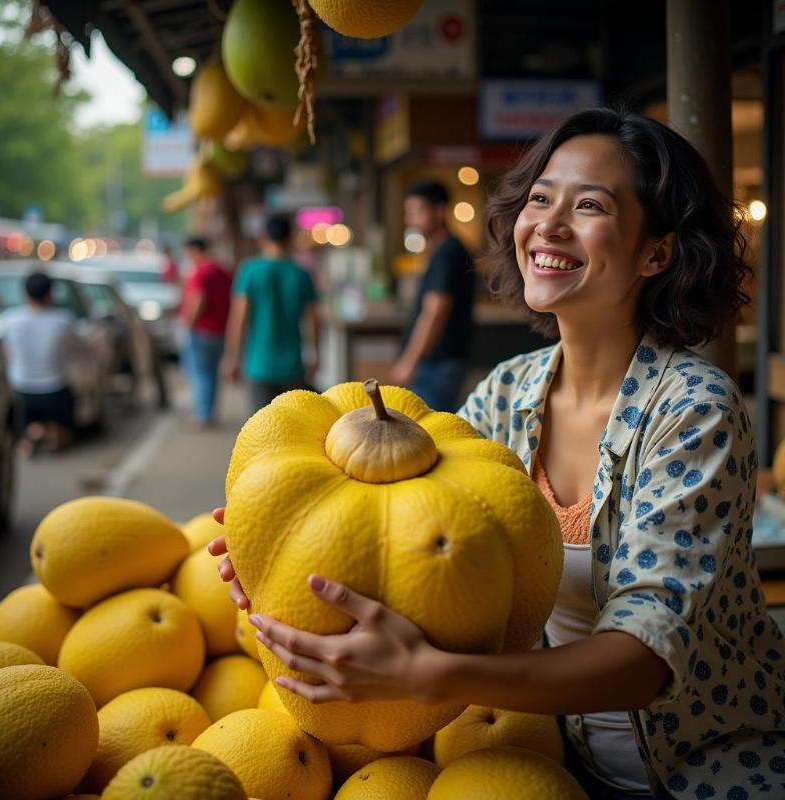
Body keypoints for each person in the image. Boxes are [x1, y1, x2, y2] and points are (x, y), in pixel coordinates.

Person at [209, 108, 785, 799]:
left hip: (709, 767)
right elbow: (402, 544)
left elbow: (645, 658)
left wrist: (434, 675)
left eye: (591, 205)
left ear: (655, 253)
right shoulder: (507, 392)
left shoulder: (694, 408)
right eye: (541, 198)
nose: (549, 223)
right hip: (542, 755)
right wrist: (279, 567)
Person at [221, 215, 320, 414]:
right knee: (295, 427)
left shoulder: (249, 271)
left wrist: (232, 358)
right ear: (290, 238)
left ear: (263, 238)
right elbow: (313, 321)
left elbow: (238, 320)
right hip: (293, 364)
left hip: (259, 363)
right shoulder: (301, 274)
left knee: (262, 429)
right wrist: (316, 355)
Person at [390, 181, 475, 411]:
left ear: (440, 211)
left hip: (438, 364)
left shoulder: (448, 252)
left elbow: (435, 310)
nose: (411, 220)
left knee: (430, 435)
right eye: (408, 213)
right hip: (437, 363)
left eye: (417, 212)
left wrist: (409, 362)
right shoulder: (442, 250)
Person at [1, 271, 80, 454]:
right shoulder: (64, 320)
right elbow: (75, 350)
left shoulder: (10, 320)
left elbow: (7, 353)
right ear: (50, 294)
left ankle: (32, 433)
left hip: (21, 388)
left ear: (25, 294)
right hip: (55, 390)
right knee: (66, 424)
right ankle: (53, 432)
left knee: (24, 418)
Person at [178, 235, 232, 429]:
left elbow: (199, 299)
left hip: (202, 330)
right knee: (211, 374)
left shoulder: (202, 271)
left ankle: (203, 415)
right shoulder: (223, 271)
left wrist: (189, 325)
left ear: (195, 250)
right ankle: (208, 412)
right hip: (219, 330)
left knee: (201, 373)